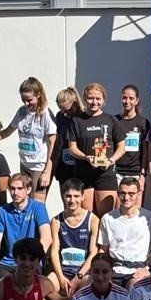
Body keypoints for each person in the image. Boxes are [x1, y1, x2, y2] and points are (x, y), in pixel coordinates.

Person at [66, 83, 125, 215]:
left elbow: (122, 146)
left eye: (98, 99)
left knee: (106, 216)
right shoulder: (77, 121)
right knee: (87, 215)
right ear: (85, 99)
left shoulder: (110, 120)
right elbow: (72, 148)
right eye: (91, 98)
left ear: (103, 100)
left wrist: (111, 160)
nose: (94, 102)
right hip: (83, 173)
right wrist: (86, 157)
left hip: (105, 173)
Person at [0, 78, 58, 199]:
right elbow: (8, 131)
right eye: (23, 100)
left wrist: (47, 171)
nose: (26, 103)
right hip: (25, 163)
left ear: (38, 95)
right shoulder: (22, 111)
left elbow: (53, 143)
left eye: (29, 100)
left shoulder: (45, 113)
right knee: (25, 201)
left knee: (37, 203)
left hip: (40, 165)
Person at [98, 177, 151, 286]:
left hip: (138, 270)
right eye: (122, 193)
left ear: (139, 194)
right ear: (118, 194)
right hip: (114, 270)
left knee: (134, 289)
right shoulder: (107, 218)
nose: (126, 198)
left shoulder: (148, 217)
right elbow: (103, 250)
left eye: (131, 194)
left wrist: (148, 269)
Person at [51, 178, 98, 300]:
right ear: (63, 196)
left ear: (83, 197)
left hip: (84, 272)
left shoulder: (93, 220)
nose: (72, 200)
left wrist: (79, 276)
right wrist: (60, 277)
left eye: (76, 196)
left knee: (89, 293)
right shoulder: (56, 221)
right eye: (68, 196)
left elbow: (94, 252)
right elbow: (54, 251)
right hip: (63, 271)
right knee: (43, 287)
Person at [113, 84, 151, 188]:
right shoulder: (115, 120)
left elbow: (145, 150)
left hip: (136, 172)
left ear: (136, 100)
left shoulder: (143, 122)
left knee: (135, 204)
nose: (127, 101)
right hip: (117, 172)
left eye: (131, 98)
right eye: (124, 98)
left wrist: (143, 174)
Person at [50, 86, 81, 198]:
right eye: (60, 109)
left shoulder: (82, 118)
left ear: (75, 103)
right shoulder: (60, 116)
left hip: (79, 166)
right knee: (66, 199)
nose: (63, 112)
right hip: (63, 166)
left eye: (66, 109)